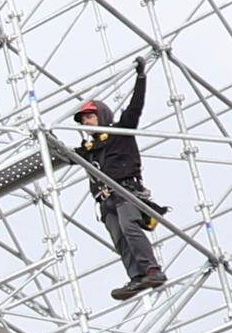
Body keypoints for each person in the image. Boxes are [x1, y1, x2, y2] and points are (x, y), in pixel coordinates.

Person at [69, 61, 164, 302]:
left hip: (124, 191)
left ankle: (152, 270)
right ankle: (137, 277)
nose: (86, 122)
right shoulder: (88, 149)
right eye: (84, 120)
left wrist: (140, 78)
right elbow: (68, 156)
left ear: (101, 115)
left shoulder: (120, 132)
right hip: (105, 200)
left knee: (130, 228)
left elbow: (135, 107)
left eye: (89, 116)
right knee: (119, 238)